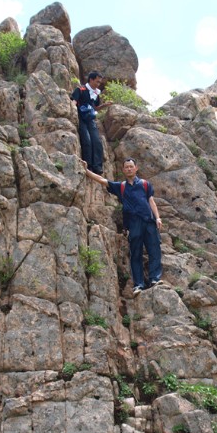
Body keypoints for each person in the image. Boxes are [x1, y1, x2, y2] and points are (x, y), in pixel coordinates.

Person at [83, 157, 163, 295]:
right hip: (133, 224)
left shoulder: (144, 184)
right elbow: (103, 181)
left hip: (148, 221)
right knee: (135, 254)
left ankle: (155, 278)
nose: (129, 169)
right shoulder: (121, 187)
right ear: (123, 170)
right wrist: (86, 171)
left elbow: (151, 201)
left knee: (154, 250)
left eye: (131, 166)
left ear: (136, 168)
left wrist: (157, 217)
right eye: (126, 167)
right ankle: (139, 284)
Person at [71, 71, 112, 175]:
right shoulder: (80, 89)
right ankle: (88, 165)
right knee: (87, 141)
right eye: (97, 82)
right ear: (91, 79)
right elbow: (74, 102)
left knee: (97, 142)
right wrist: (72, 112)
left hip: (91, 119)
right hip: (81, 118)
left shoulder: (96, 93)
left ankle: (97, 166)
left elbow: (95, 107)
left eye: (99, 82)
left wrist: (105, 105)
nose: (98, 84)